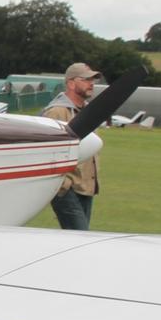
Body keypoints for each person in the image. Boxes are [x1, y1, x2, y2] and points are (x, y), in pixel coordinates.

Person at [43, 63, 102, 229]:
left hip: (86, 187)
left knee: (78, 240)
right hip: (67, 188)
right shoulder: (57, 112)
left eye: (93, 80)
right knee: (80, 236)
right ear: (70, 83)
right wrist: (63, 185)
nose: (92, 84)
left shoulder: (88, 111)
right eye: (86, 79)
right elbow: (48, 151)